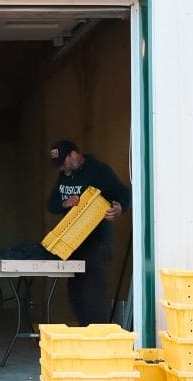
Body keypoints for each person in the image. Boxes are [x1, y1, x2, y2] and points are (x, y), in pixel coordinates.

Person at [46, 139, 131, 326]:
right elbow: (51, 204)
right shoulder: (64, 176)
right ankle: (84, 331)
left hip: (96, 242)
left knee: (93, 290)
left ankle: (97, 334)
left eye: (62, 162)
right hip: (72, 244)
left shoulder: (98, 170)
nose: (61, 168)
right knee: (75, 290)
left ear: (73, 155)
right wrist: (65, 203)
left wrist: (120, 208)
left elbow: (124, 192)